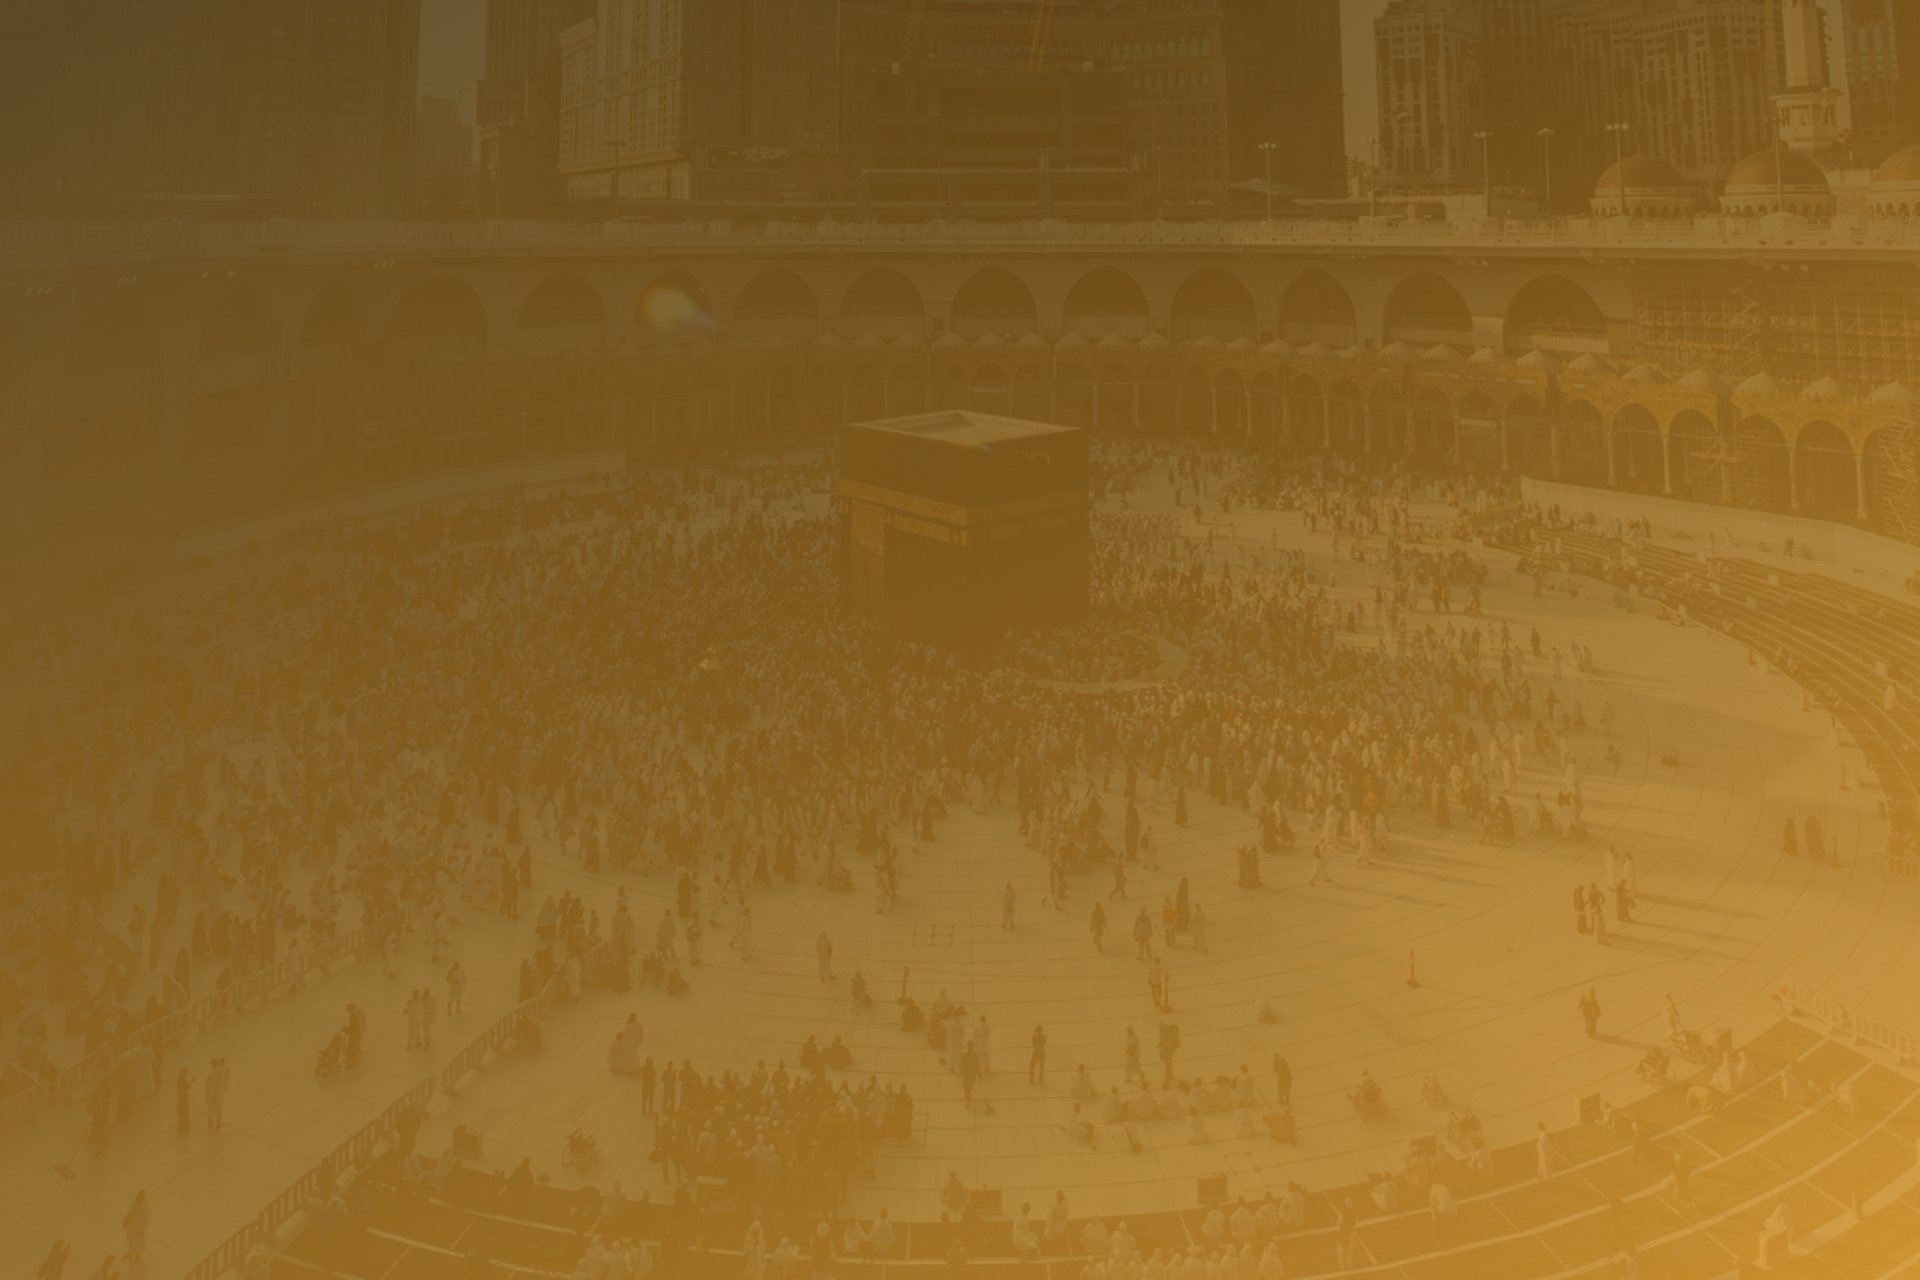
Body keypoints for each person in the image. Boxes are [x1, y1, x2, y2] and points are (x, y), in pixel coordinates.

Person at [122, 1192, 150, 1263]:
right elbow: (129, 1212)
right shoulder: (134, 1203)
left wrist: (141, 1230)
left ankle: (138, 1254)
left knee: (138, 1242)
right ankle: (130, 1252)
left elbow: (146, 1220)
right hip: (131, 1225)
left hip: (138, 1227)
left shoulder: (146, 1208)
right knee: (130, 1239)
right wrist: (126, 1220)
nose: (137, 1199)